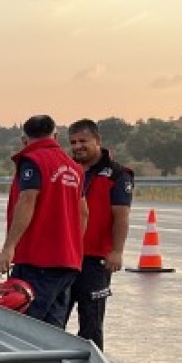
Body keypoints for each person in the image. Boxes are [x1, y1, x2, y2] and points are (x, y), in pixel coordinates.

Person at [0, 115, 87, 327]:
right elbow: (83, 213)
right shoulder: (75, 168)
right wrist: (72, 245)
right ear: (56, 135)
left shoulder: (33, 160)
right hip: (68, 262)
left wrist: (9, 247)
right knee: (53, 327)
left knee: (26, 325)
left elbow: (27, 201)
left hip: (38, 260)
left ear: (24, 139)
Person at [66, 119, 132, 349]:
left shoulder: (117, 174)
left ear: (97, 141)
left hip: (96, 261)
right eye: (73, 142)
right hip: (65, 257)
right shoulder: (67, 170)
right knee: (54, 322)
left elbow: (121, 216)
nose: (77, 146)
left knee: (91, 324)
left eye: (83, 141)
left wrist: (117, 251)